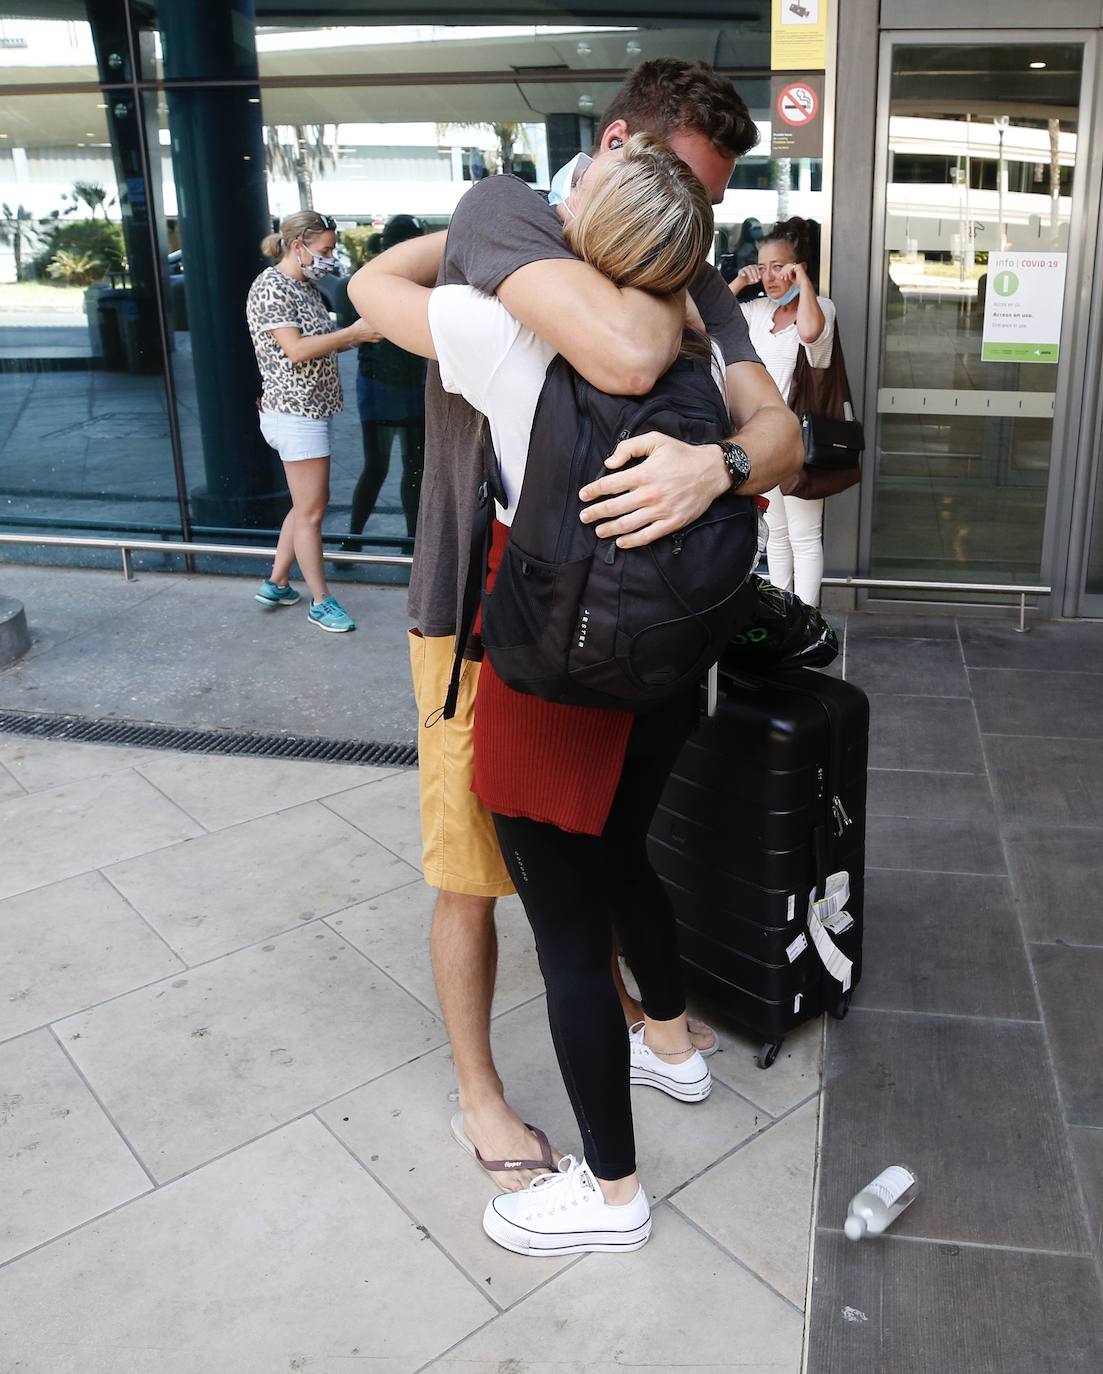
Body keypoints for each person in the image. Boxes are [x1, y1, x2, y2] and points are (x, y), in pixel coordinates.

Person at [348, 57, 802, 1200]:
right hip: (552, 631)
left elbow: (371, 296)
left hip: (553, 652)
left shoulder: (523, 331)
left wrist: (722, 466)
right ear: (613, 156)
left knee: (559, 899)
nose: (700, 225)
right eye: (685, 193)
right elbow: (632, 353)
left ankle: (609, 1183)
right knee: (521, 870)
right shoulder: (543, 242)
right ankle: (556, 1070)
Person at [246, 210, 375, 632]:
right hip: (296, 413)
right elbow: (297, 350)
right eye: (325, 250)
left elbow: (317, 345)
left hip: (307, 409)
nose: (330, 258)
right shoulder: (272, 287)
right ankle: (321, 600)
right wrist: (352, 335)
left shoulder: (304, 286)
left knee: (303, 507)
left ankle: (278, 581)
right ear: (297, 245)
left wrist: (351, 338)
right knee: (313, 512)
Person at [730, 216, 836, 604]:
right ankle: (782, 613)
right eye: (764, 267)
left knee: (804, 535)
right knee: (773, 530)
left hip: (800, 440)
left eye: (780, 266)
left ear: (798, 266)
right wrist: (741, 281)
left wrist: (804, 283)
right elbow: (705, 323)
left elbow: (810, 334)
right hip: (760, 437)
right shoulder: (757, 311)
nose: (770, 276)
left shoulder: (820, 307)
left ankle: (807, 620)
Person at [339, 215, 427, 552]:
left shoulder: (369, 280)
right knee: (401, 468)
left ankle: (359, 539)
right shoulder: (398, 282)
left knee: (390, 467)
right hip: (388, 387)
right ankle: (384, 540)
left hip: (389, 386)